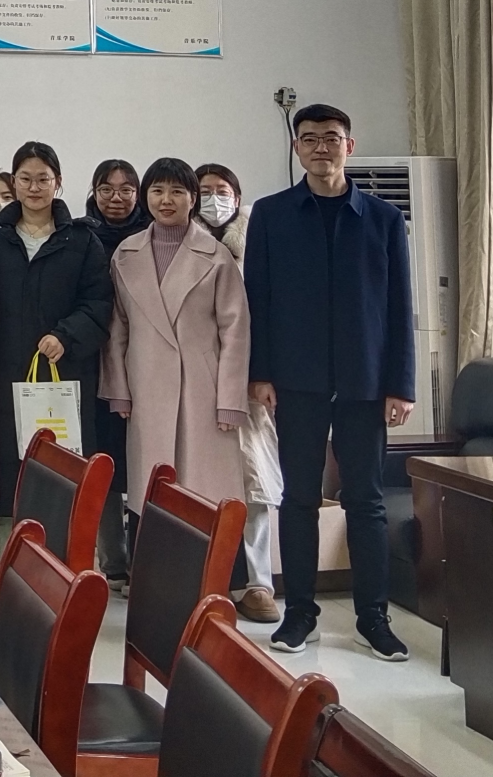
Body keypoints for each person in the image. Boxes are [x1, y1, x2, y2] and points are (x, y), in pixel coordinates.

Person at [246, 104, 413, 661]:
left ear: (350, 146)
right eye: (311, 138)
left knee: (365, 501)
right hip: (296, 379)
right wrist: (260, 373)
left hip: (366, 380)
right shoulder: (271, 214)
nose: (322, 147)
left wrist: (401, 384)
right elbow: (258, 300)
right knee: (297, 498)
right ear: (297, 147)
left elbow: (399, 306)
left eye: (332, 138)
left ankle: (373, 618)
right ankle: (300, 614)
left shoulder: (383, 219)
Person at [0, 141, 114, 574]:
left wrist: (66, 335)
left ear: (59, 183)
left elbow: (99, 304)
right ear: (13, 182)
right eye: (26, 179)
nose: (34, 188)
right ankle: (4, 574)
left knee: (61, 470)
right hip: (2, 375)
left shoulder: (82, 240)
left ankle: (64, 574)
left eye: (43, 179)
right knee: (6, 476)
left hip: (63, 376)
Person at [102, 156, 249, 525]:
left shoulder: (217, 256)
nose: (166, 200)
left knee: (205, 494)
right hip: (145, 386)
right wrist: (118, 389)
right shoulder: (126, 254)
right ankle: (152, 561)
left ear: (192, 198)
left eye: (177, 191)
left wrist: (230, 400)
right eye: (157, 191)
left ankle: (213, 562)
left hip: (203, 389)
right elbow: (117, 328)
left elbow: (235, 330)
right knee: (153, 492)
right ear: (145, 197)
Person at [198, 162, 282, 623]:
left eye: (222, 190)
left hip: (250, 380)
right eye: (205, 190)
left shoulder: (260, 240)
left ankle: (258, 582)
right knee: (203, 482)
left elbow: (273, 311)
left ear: (238, 195)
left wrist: (264, 373)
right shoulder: (180, 245)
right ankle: (212, 580)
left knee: (255, 479)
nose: (214, 198)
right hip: (196, 380)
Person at [81, 157, 149, 580]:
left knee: (145, 460)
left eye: (126, 189)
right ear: (93, 192)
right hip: (94, 363)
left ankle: (146, 559)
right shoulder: (80, 235)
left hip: (145, 362)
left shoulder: (153, 236)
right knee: (102, 462)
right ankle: (113, 562)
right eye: (106, 189)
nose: (116, 198)